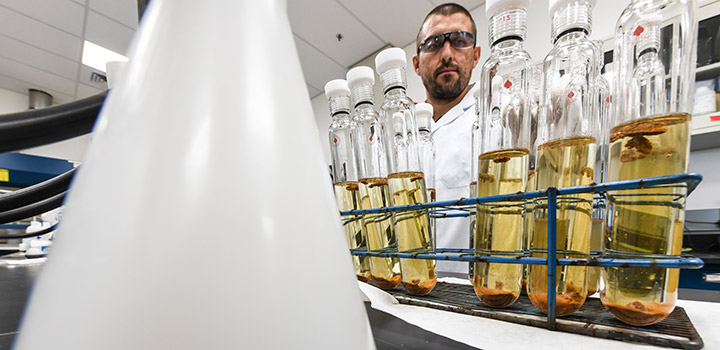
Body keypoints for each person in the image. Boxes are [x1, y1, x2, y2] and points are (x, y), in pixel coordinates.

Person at [412, 3, 481, 275]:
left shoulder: (496, 114)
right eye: (433, 44)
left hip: (482, 300)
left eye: (459, 41)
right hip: (407, 294)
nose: (447, 54)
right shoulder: (402, 135)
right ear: (417, 64)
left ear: (475, 56)